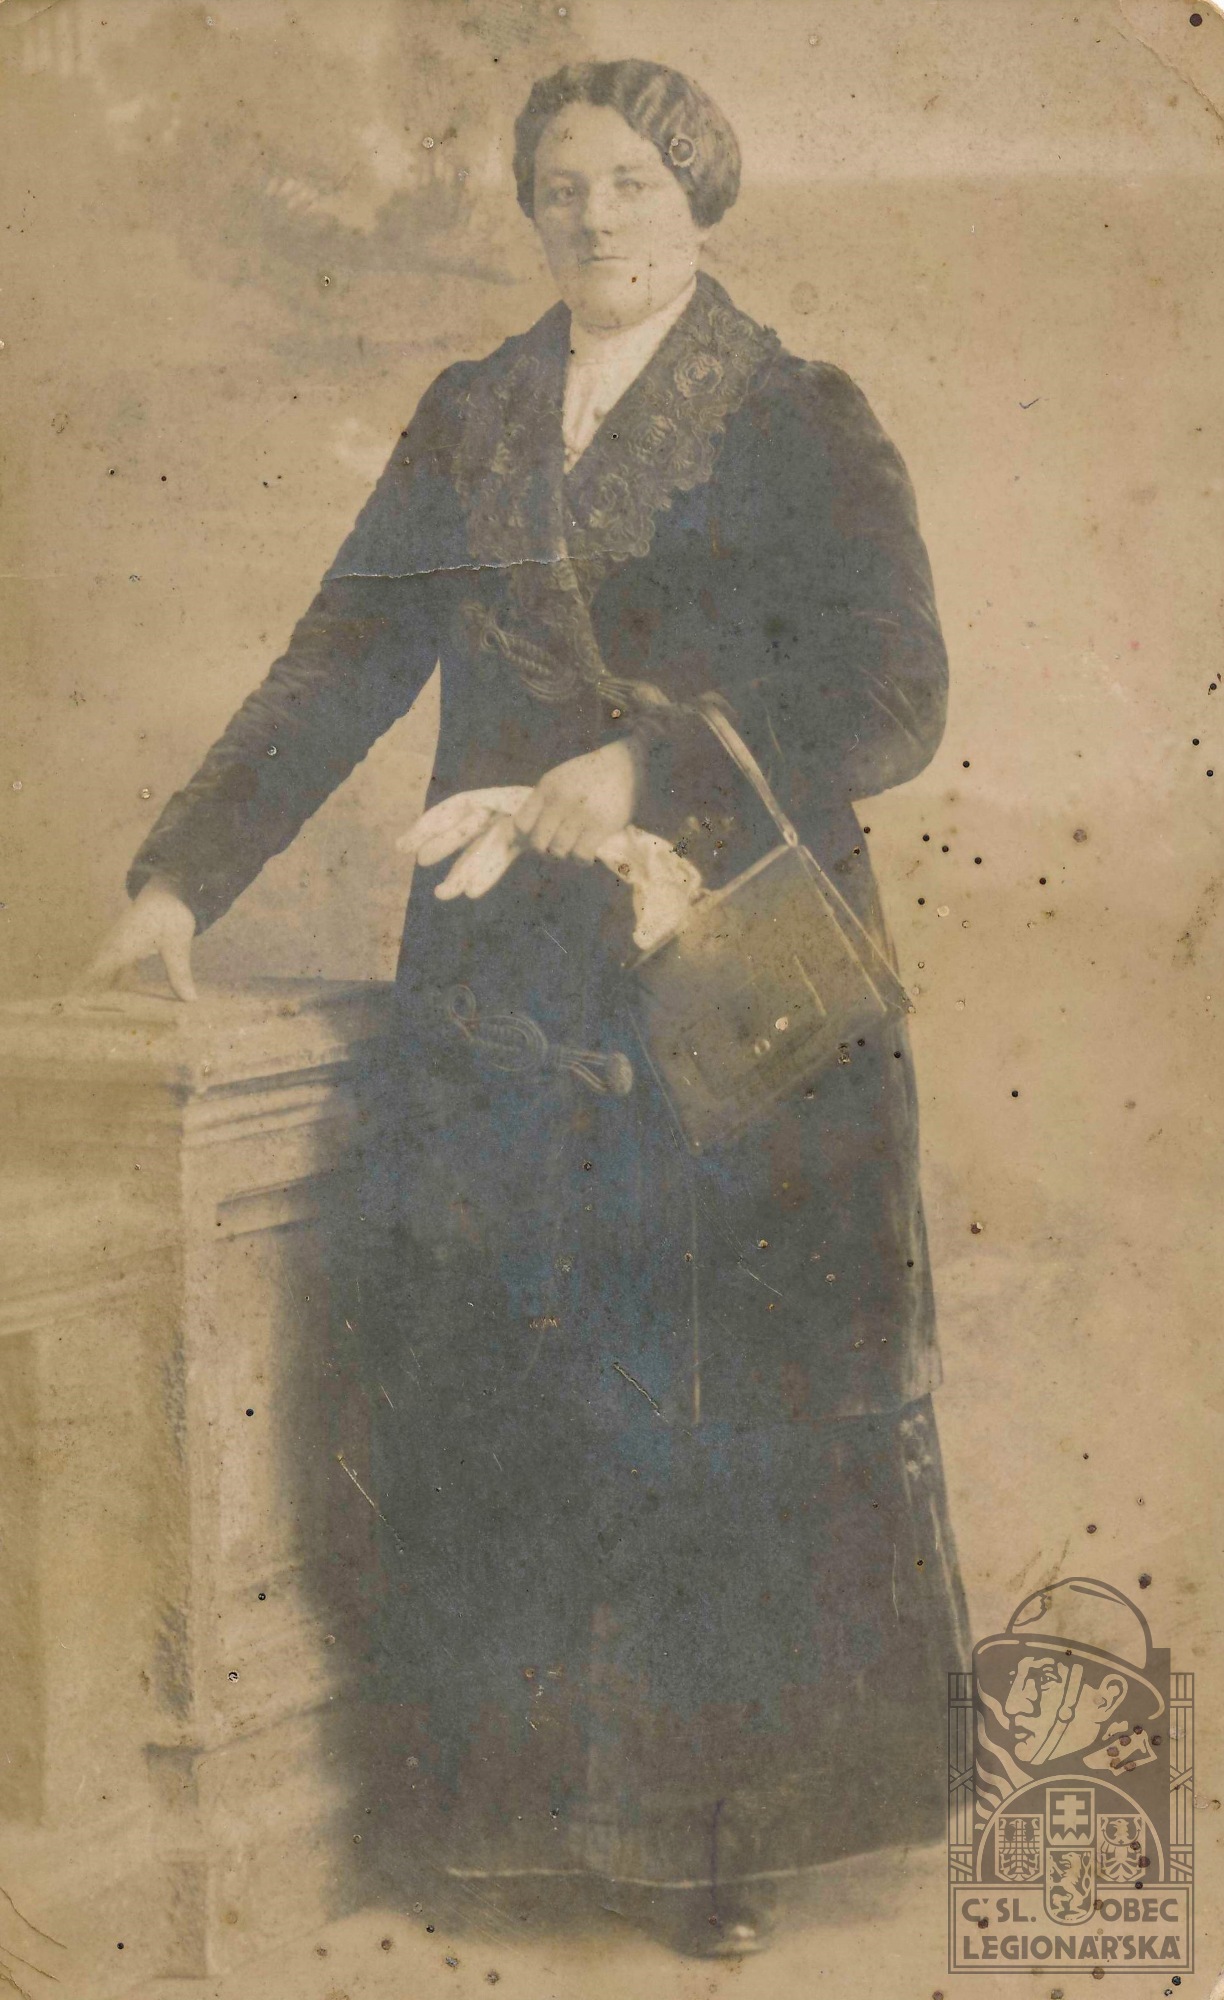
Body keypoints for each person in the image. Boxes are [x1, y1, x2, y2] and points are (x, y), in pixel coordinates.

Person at [86, 58, 969, 1958]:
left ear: (701, 196)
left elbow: (895, 692)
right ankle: (512, 1828)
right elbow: (342, 656)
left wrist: (655, 764)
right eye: (563, 184)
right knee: (509, 1383)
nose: (597, 215)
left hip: (723, 977)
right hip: (500, 984)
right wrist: (177, 880)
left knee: (713, 1392)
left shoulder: (798, 416)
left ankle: (708, 1848)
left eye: (635, 181)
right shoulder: (471, 415)